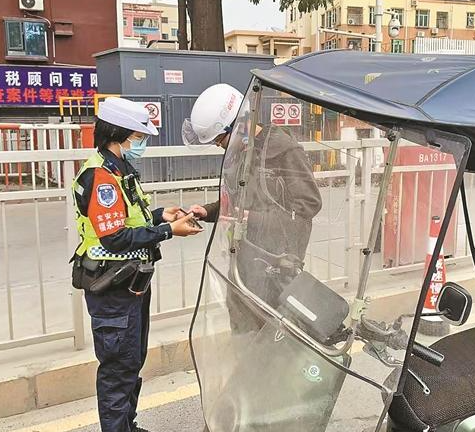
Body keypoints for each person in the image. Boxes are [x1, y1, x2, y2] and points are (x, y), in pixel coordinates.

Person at [71, 97, 202, 432]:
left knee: (130, 363)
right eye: (138, 137)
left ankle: (127, 425)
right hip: (111, 287)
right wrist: (169, 231)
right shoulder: (101, 177)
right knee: (118, 369)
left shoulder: (117, 169)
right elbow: (114, 238)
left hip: (129, 285)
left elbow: (128, 220)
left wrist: (160, 216)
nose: (141, 144)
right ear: (118, 135)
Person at [183, 84, 322, 332]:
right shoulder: (240, 153)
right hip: (242, 263)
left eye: (219, 139)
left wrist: (253, 219)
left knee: (271, 339)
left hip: (276, 267)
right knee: (242, 333)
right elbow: (238, 203)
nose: (219, 146)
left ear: (239, 124)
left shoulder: (283, 150)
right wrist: (209, 211)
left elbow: (307, 206)